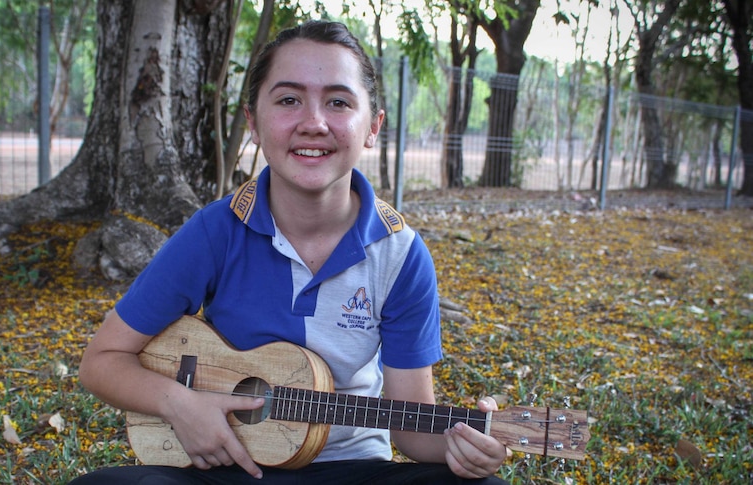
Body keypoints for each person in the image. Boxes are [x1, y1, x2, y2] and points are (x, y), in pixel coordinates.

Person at [70, 20, 509, 485]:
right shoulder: (216, 231)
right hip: (228, 464)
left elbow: (413, 429)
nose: (313, 123)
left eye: (338, 102)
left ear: (373, 127)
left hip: (351, 469)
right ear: (253, 123)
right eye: (288, 100)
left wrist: (469, 445)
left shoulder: (399, 254)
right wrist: (179, 403)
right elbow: (102, 361)